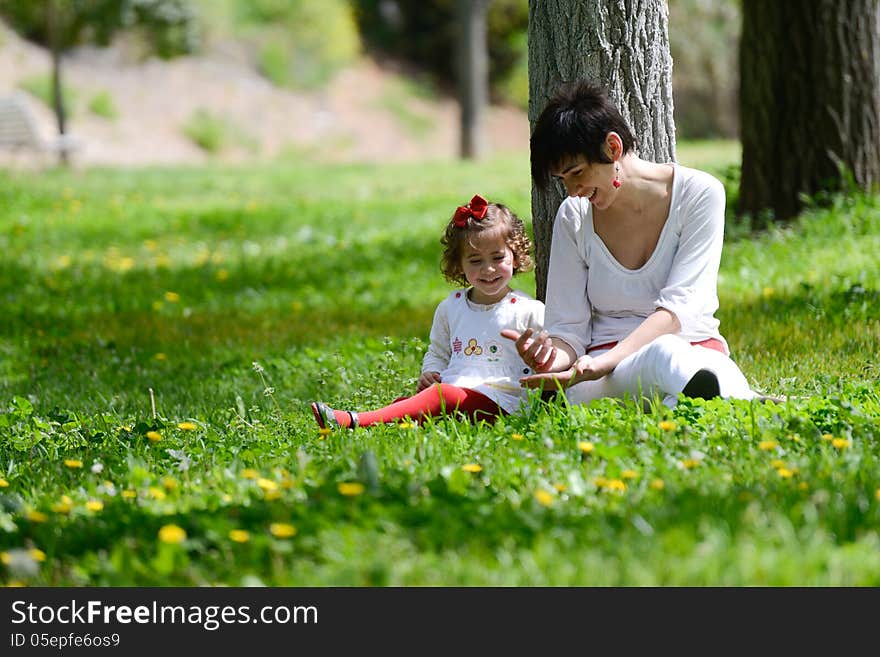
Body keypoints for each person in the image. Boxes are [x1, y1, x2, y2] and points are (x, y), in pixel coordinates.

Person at [501, 79, 763, 408]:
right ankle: (720, 399)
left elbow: (680, 308)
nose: (572, 190)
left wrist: (604, 362)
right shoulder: (575, 216)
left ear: (613, 148)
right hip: (602, 378)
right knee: (669, 360)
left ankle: (695, 400)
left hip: (690, 350)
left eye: (577, 173)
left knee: (682, 361)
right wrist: (549, 358)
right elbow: (568, 328)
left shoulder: (699, 195)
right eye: (563, 180)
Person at [311, 194, 545, 429]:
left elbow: (548, 357)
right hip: (455, 394)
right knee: (409, 404)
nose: (488, 268)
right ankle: (388, 421)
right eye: (475, 261)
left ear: (515, 256)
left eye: (498, 257)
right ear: (459, 264)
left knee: (442, 397)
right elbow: (438, 352)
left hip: (503, 402)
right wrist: (431, 372)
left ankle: (354, 421)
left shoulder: (528, 310)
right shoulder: (451, 307)